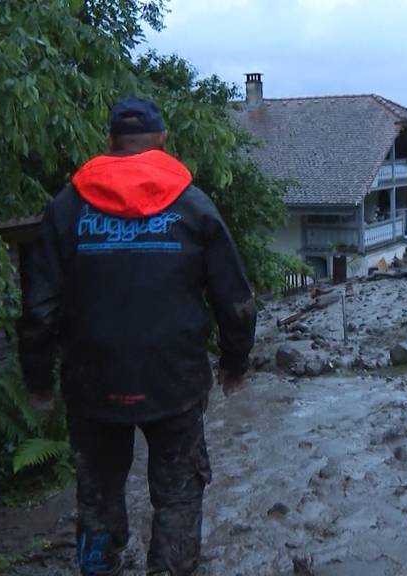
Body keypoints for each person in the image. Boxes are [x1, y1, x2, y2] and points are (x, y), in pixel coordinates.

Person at [17, 96, 256, 576]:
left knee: (97, 495)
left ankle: (98, 566)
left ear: (109, 143)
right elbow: (235, 298)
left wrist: (39, 380)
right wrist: (234, 362)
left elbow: (39, 307)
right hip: (176, 381)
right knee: (179, 493)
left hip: (92, 382)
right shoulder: (194, 207)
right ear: (163, 141)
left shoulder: (66, 209)